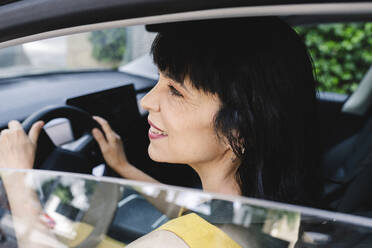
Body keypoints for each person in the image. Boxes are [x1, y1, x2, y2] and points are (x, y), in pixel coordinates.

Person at [0, 17, 322, 247]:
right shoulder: (266, 216)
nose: (148, 101)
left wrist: (17, 180)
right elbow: (191, 211)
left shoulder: (175, 242)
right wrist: (124, 167)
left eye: (175, 90)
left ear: (240, 130)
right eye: (157, 81)